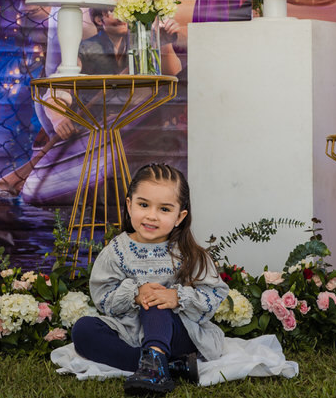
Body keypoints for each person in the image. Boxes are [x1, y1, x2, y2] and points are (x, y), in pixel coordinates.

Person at [70, 163, 226, 394]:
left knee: (154, 300)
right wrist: (134, 294)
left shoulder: (190, 253)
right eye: (143, 205)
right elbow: (103, 298)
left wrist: (175, 297)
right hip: (130, 332)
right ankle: (166, 367)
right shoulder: (117, 251)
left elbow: (214, 294)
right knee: (83, 330)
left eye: (164, 209)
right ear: (129, 205)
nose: (151, 216)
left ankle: (155, 361)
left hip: (178, 335)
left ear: (179, 216)